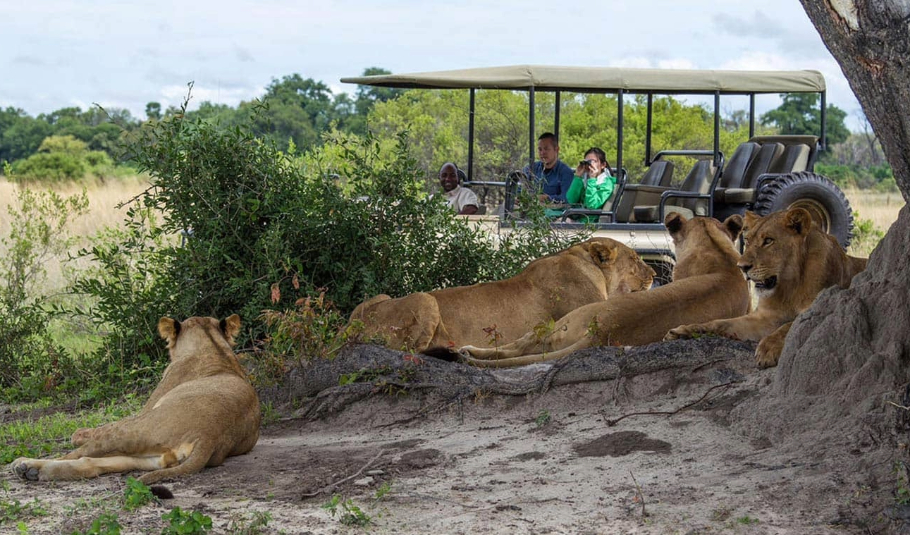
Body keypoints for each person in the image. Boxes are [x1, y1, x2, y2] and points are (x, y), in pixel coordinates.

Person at [565, 147, 616, 222]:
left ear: (603, 165)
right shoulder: (586, 181)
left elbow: (592, 205)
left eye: (593, 161)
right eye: (587, 162)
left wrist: (592, 179)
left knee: (560, 223)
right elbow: (570, 201)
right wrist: (578, 177)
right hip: (579, 219)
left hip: (591, 224)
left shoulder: (607, 184)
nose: (589, 165)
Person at [525, 132, 575, 203]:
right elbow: (519, 190)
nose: (542, 153)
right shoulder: (530, 169)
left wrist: (547, 198)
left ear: (556, 150)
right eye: (540, 149)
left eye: (546, 149)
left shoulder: (566, 173)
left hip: (556, 213)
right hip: (531, 212)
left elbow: (567, 198)